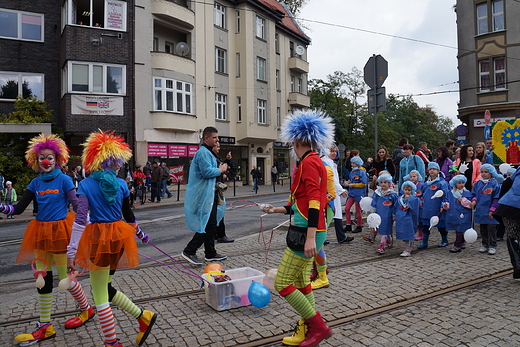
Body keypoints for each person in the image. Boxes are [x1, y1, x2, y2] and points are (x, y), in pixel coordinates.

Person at [0, 134, 95, 346]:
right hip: (41, 232)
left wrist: (88, 217)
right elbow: (18, 208)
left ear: (57, 159)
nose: (46, 161)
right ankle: (45, 326)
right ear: (36, 161)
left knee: (66, 278)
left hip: (61, 231)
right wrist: (2, 207)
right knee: (41, 277)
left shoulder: (64, 179)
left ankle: (86, 309)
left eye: (50, 158)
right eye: (42, 157)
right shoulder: (35, 183)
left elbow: (76, 203)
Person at [66, 130, 157, 347]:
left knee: (99, 296)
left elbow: (80, 221)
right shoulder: (122, 185)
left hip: (99, 240)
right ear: (115, 160)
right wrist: (140, 233)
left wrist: (71, 252)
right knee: (105, 287)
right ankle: (143, 317)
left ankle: (112, 342)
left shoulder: (86, 185)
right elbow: (129, 216)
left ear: (93, 159)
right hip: (119, 239)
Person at [260, 109, 334, 347]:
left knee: (282, 283)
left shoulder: (309, 163)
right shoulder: (311, 161)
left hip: (307, 234)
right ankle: (305, 329)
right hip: (308, 230)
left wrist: (311, 238)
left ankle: (318, 327)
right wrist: (277, 210)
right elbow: (301, 203)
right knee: (302, 282)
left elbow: (315, 201)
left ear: (296, 140)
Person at [182, 127, 228, 265]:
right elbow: (206, 172)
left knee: (211, 223)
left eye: (217, 137)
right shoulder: (203, 153)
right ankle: (189, 250)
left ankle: (210, 253)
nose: (217, 140)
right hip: (203, 195)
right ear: (206, 138)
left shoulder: (208, 152)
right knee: (209, 225)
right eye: (214, 137)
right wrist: (220, 169)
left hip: (209, 193)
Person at [322, 144, 352, 244]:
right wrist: (341, 190)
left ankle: (341, 236)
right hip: (329, 192)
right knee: (329, 214)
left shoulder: (330, 162)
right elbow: (332, 180)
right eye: (332, 151)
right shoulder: (326, 162)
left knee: (336, 214)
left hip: (332, 191)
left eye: (335, 151)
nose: (334, 153)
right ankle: (322, 237)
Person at [493, 168, 520, 278]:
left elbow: (506, 183)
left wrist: (502, 201)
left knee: (513, 236)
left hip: (507, 206)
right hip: (510, 206)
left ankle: (517, 265)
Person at [417, 162, 450, 249]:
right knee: (425, 226)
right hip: (426, 208)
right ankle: (425, 242)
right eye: (430, 169)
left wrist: (443, 204)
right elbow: (420, 194)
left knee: (441, 226)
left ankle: (444, 240)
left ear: (438, 171)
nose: (432, 171)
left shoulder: (442, 183)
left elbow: (445, 195)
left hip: (437, 207)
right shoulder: (425, 184)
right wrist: (420, 201)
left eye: (434, 169)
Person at [472, 164, 501, 255]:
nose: (483, 174)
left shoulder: (494, 183)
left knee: (491, 228)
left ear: (491, 173)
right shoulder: (477, 184)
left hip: (490, 210)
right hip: (481, 209)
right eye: (482, 172)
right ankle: (485, 244)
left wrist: (492, 209)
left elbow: (496, 198)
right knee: (483, 228)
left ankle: (493, 245)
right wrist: (474, 200)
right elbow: (474, 194)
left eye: (486, 172)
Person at [367, 174, 398, 251]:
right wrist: (373, 212)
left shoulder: (393, 194)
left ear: (389, 183)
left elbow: (395, 205)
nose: (383, 184)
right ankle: (389, 240)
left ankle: (383, 244)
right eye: (381, 182)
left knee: (386, 228)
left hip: (388, 214)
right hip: (379, 214)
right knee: (382, 228)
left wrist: (394, 214)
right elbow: (374, 203)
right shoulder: (377, 193)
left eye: (385, 182)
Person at [442, 175, 473, 253]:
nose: (461, 184)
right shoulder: (451, 193)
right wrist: (446, 205)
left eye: (463, 183)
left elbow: (470, 204)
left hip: (464, 214)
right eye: (459, 183)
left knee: (460, 229)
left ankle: (457, 244)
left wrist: (463, 201)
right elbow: (447, 200)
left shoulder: (467, 193)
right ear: (455, 184)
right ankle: (461, 242)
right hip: (454, 213)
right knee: (458, 229)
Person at [212, 143, 234, 243]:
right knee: (217, 213)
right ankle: (219, 235)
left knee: (218, 213)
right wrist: (221, 176)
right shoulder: (210, 157)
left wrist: (227, 161)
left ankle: (218, 234)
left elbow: (220, 168)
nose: (219, 148)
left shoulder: (214, 157)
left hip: (215, 189)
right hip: (213, 190)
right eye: (217, 146)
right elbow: (214, 172)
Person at [395, 181, 420, 257]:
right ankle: (410, 244)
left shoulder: (414, 199)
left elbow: (415, 209)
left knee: (408, 233)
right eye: (405, 190)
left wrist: (409, 200)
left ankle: (407, 249)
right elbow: (396, 207)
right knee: (404, 232)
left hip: (409, 219)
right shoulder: (400, 198)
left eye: (409, 190)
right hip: (401, 218)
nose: (407, 192)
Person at [344, 156, 367, 234]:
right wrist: (348, 183)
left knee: (358, 210)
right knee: (347, 208)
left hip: (359, 193)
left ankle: (359, 225)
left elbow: (364, 183)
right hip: (351, 193)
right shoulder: (352, 172)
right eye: (351, 163)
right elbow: (351, 180)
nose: (352, 164)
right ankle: (348, 225)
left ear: (357, 164)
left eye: (353, 163)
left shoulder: (362, 172)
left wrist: (353, 185)